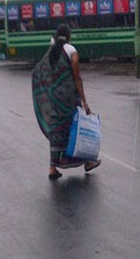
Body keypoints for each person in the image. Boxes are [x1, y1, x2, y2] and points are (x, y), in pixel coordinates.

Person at [32, 24, 101, 179]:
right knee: (77, 130)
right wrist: (84, 101)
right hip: (69, 98)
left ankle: (52, 168)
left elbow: (38, 71)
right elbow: (77, 77)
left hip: (53, 99)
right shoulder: (71, 51)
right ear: (69, 36)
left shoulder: (50, 53)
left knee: (57, 130)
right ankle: (88, 162)